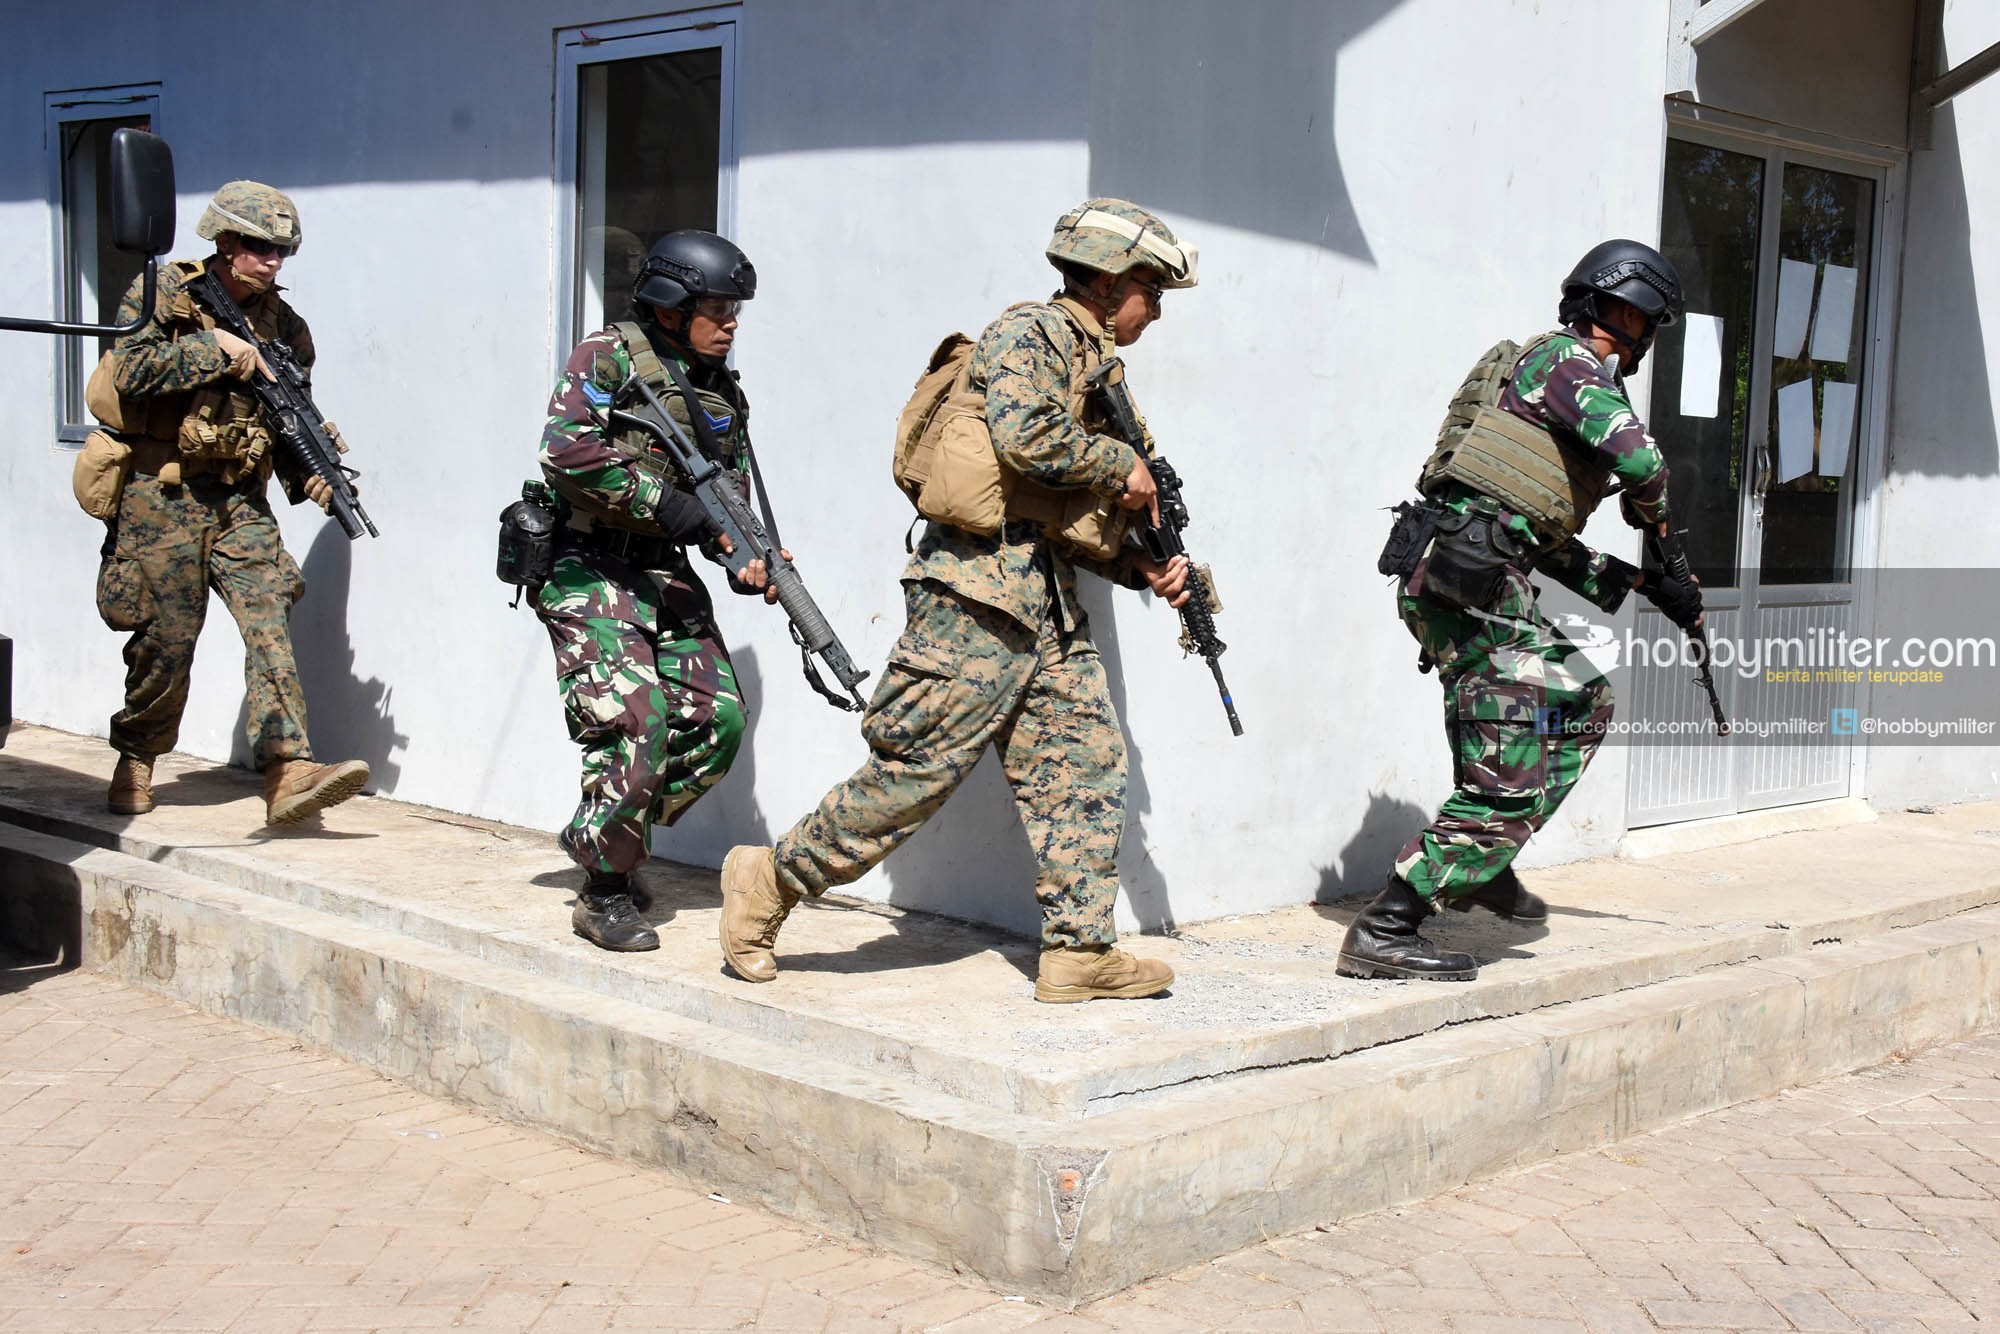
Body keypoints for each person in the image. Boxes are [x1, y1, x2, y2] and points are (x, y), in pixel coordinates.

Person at [716, 198, 1197, 1003]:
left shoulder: (1098, 367)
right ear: (1111, 281)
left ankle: (1080, 951)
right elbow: (1025, 437)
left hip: (1046, 605)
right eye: (1152, 292)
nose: (1155, 311)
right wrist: (1122, 466)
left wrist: (1141, 565)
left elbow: (1059, 512)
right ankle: (768, 880)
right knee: (915, 774)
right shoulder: (1030, 333)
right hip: (972, 597)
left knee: (1086, 769)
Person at [1342, 239, 1703, 982]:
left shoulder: (1547, 380)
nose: (1642, 337)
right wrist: (1663, 535)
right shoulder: (1566, 361)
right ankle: (1389, 924)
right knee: (1512, 769)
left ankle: (1478, 862)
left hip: (1469, 576)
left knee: (1581, 702)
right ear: (1625, 313)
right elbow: (1644, 463)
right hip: (1469, 584)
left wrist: (1645, 584)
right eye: (1644, 321)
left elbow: (1540, 539)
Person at [537, 229, 783, 952]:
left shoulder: (720, 390)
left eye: (736, 311)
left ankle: (605, 833)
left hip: (661, 570)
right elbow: (565, 452)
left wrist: (742, 554)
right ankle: (605, 888)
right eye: (719, 309)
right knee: (636, 725)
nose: (732, 324)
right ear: (672, 305)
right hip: (587, 565)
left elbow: (726, 494)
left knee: (719, 722)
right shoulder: (608, 355)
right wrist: (671, 507)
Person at [96, 181, 369, 826]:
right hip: (161, 496)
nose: (273, 262)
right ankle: (136, 752)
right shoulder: (166, 293)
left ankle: (288, 768)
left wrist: (311, 479)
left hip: (240, 501)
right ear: (224, 242)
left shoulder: (287, 327)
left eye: (282, 252)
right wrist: (212, 348)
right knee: (166, 641)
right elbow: (127, 373)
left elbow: (287, 418)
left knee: (268, 616)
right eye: (260, 248)